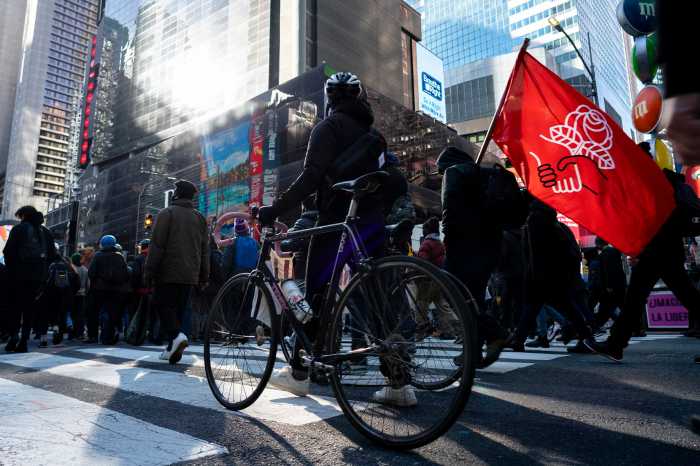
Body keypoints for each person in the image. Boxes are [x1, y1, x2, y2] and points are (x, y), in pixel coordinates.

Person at [258, 72, 399, 403]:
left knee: (318, 297)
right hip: (372, 218)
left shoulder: (327, 127)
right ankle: (399, 382)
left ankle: (299, 373)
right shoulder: (374, 135)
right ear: (359, 97)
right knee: (376, 296)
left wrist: (274, 209)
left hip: (336, 220)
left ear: (329, 98)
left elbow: (311, 177)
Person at [436, 146, 526, 368]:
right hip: (492, 245)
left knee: (454, 292)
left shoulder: (454, 172)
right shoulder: (485, 174)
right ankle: (472, 353)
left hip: (464, 244)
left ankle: (495, 332)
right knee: (473, 299)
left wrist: (448, 238)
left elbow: (450, 207)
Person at [509, 199, 594, 353]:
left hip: (541, 277)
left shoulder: (534, 221)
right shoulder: (558, 225)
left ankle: (519, 340)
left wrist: (532, 277)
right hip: (555, 277)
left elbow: (534, 255)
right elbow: (573, 253)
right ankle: (587, 338)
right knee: (541, 309)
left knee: (534, 309)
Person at [145, 179, 209, 364]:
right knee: (179, 311)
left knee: (162, 305)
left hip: (167, 272)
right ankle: (171, 348)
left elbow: (157, 246)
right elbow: (205, 250)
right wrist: (204, 276)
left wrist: (149, 272)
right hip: (190, 275)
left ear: (177, 194)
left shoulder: (167, 213)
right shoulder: (200, 218)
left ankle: (175, 336)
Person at [3, 206, 59, 353]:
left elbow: (8, 251)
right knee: (29, 309)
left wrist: (12, 269)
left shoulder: (19, 229)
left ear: (23, 215)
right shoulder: (46, 232)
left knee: (14, 307)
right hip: (37, 278)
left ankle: (14, 335)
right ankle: (24, 341)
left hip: (17, 276)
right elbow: (53, 255)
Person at [88, 235, 130, 345]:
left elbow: (91, 273)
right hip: (115, 291)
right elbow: (125, 274)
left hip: (99, 290)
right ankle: (108, 337)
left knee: (94, 313)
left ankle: (93, 336)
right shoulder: (119, 257)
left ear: (102, 244)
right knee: (112, 314)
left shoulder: (98, 256)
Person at [592, 237, 626, 331]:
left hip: (610, 287)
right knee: (620, 306)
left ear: (599, 244)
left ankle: (595, 326)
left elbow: (607, 271)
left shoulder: (605, 255)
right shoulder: (614, 252)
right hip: (620, 285)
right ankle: (637, 328)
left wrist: (609, 285)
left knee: (605, 309)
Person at [70, 253, 89, 340]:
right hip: (82, 294)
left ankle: (72, 332)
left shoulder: (71, 268)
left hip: (72, 295)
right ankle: (80, 333)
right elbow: (88, 284)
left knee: (72, 314)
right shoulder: (85, 270)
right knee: (80, 315)